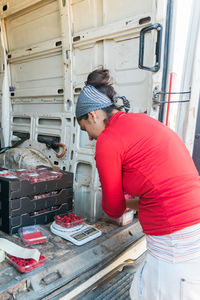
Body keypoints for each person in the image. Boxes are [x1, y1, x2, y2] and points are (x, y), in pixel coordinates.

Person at [76, 67, 200, 299]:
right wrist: (133, 203)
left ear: (93, 115)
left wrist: (123, 202)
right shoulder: (141, 120)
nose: (90, 137)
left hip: (173, 240)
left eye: (85, 129)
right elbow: (155, 187)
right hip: (193, 227)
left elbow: (113, 209)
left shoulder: (108, 140)